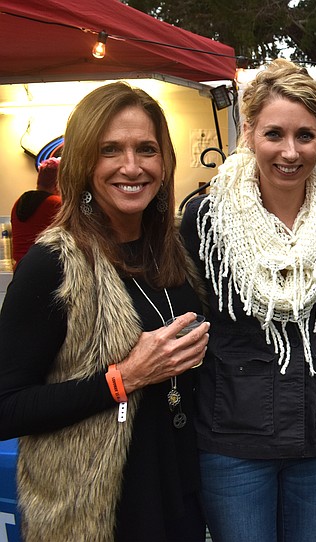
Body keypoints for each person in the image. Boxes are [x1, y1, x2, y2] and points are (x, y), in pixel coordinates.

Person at [0, 82, 210, 541]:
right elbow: (6, 407)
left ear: (164, 162)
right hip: (97, 516)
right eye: (109, 150)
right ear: (82, 163)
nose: (131, 166)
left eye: (146, 149)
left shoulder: (174, 254)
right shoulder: (55, 264)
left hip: (178, 497)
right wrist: (123, 379)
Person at [179, 58, 316, 542]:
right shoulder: (206, 218)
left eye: (306, 135)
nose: (290, 151)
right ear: (250, 132)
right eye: (274, 133)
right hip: (232, 441)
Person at [10, 157, 62, 269]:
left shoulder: (18, 203)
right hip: (45, 269)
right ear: (60, 181)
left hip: (21, 270)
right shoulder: (56, 204)